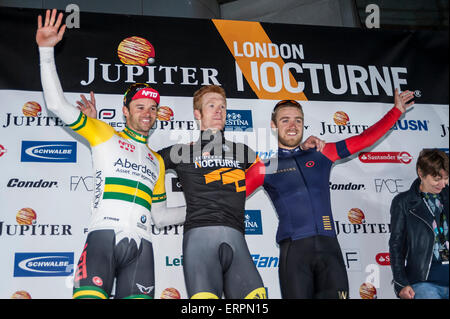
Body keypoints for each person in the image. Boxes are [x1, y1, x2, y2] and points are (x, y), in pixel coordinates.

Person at [36, 9, 185, 299]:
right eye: (140, 107)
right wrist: (45, 51)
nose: (148, 114)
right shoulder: (104, 134)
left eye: (153, 109)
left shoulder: (157, 160)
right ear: (125, 111)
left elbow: (162, 216)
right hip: (102, 238)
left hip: (142, 247)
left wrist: (206, 207)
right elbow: (56, 104)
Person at [246, 89, 415, 299]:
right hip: (295, 253)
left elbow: (365, 139)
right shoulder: (265, 167)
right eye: (285, 120)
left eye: (298, 121)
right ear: (274, 125)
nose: (292, 126)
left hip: (330, 250)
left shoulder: (322, 152)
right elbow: (227, 195)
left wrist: (397, 111)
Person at [389, 149, 449, 299]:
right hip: (424, 283)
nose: (442, 184)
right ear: (421, 173)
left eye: (446, 178)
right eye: (436, 179)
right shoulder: (403, 202)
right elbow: (396, 246)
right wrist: (401, 284)